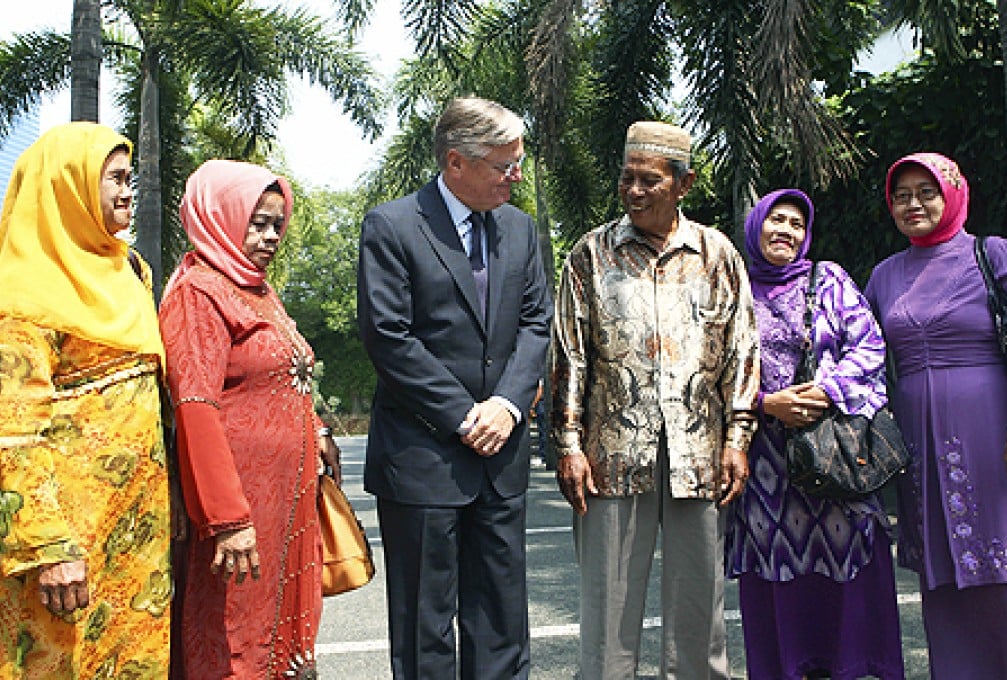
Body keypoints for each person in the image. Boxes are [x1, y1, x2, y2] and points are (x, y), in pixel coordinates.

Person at [550, 121, 758, 679]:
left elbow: (741, 351)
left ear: (683, 185)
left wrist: (738, 438)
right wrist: (569, 443)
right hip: (611, 455)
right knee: (608, 613)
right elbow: (570, 354)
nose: (634, 191)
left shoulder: (717, 255)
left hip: (700, 453)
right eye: (627, 179)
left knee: (699, 612)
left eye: (649, 181)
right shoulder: (590, 255)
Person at [357, 96, 551, 679]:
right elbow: (389, 337)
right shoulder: (391, 225)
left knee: (501, 623)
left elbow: (536, 323)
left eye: (518, 162)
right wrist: (466, 416)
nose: (515, 177)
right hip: (423, 459)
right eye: (504, 165)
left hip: (501, 456)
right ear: (455, 163)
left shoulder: (520, 228)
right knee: (425, 628)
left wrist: (508, 406)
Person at [0, 123, 170, 676]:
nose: (128, 191)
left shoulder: (132, 272)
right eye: (115, 179)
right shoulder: (20, 291)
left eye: (130, 178)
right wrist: (49, 548)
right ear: (67, 186)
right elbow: (14, 434)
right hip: (66, 549)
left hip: (138, 541)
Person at [160, 159, 341, 678]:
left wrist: (320, 429)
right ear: (220, 215)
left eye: (275, 225)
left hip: (284, 504)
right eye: (256, 223)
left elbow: (281, 374)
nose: (269, 237)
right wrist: (227, 520)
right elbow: (195, 408)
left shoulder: (255, 287)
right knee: (236, 639)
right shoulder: (199, 292)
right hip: (240, 512)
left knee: (279, 636)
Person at [725, 189, 905, 679]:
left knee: (845, 559)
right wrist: (766, 404)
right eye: (775, 220)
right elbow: (707, 368)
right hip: (765, 464)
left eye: (796, 224)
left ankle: (851, 667)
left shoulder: (828, 279)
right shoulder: (732, 288)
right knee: (776, 566)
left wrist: (825, 391)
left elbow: (868, 346)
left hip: (832, 449)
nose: (785, 230)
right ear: (756, 226)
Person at [865, 152, 1007, 678]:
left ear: (952, 193)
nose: (913, 204)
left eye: (926, 192)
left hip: (996, 435)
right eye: (902, 195)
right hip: (918, 449)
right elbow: (858, 354)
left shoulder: (993, 255)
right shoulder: (885, 276)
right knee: (943, 576)